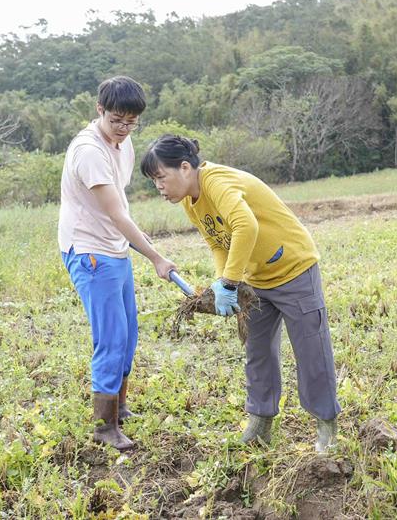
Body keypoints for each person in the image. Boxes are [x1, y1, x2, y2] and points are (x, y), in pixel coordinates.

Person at [140, 135, 340, 452]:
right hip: (255, 279)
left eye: (161, 178)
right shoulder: (191, 202)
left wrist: (230, 282)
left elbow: (246, 225)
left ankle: (326, 426)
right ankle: (260, 425)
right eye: (154, 182)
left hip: (293, 269)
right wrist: (223, 282)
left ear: (185, 168)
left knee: (311, 350)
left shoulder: (216, 182)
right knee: (257, 352)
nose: (159, 188)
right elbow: (218, 243)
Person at [58, 76, 177, 451]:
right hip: (91, 251)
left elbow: (121, 208)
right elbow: (116, 214)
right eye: (116, 121)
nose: (124, 129)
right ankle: (103, 426)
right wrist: (156, 256)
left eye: (131, 122)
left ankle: (119, 407)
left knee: (128, 335)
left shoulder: (122, 144)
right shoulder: (89, 151)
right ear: (99, 110)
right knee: (110, 338)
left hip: (116, 248)